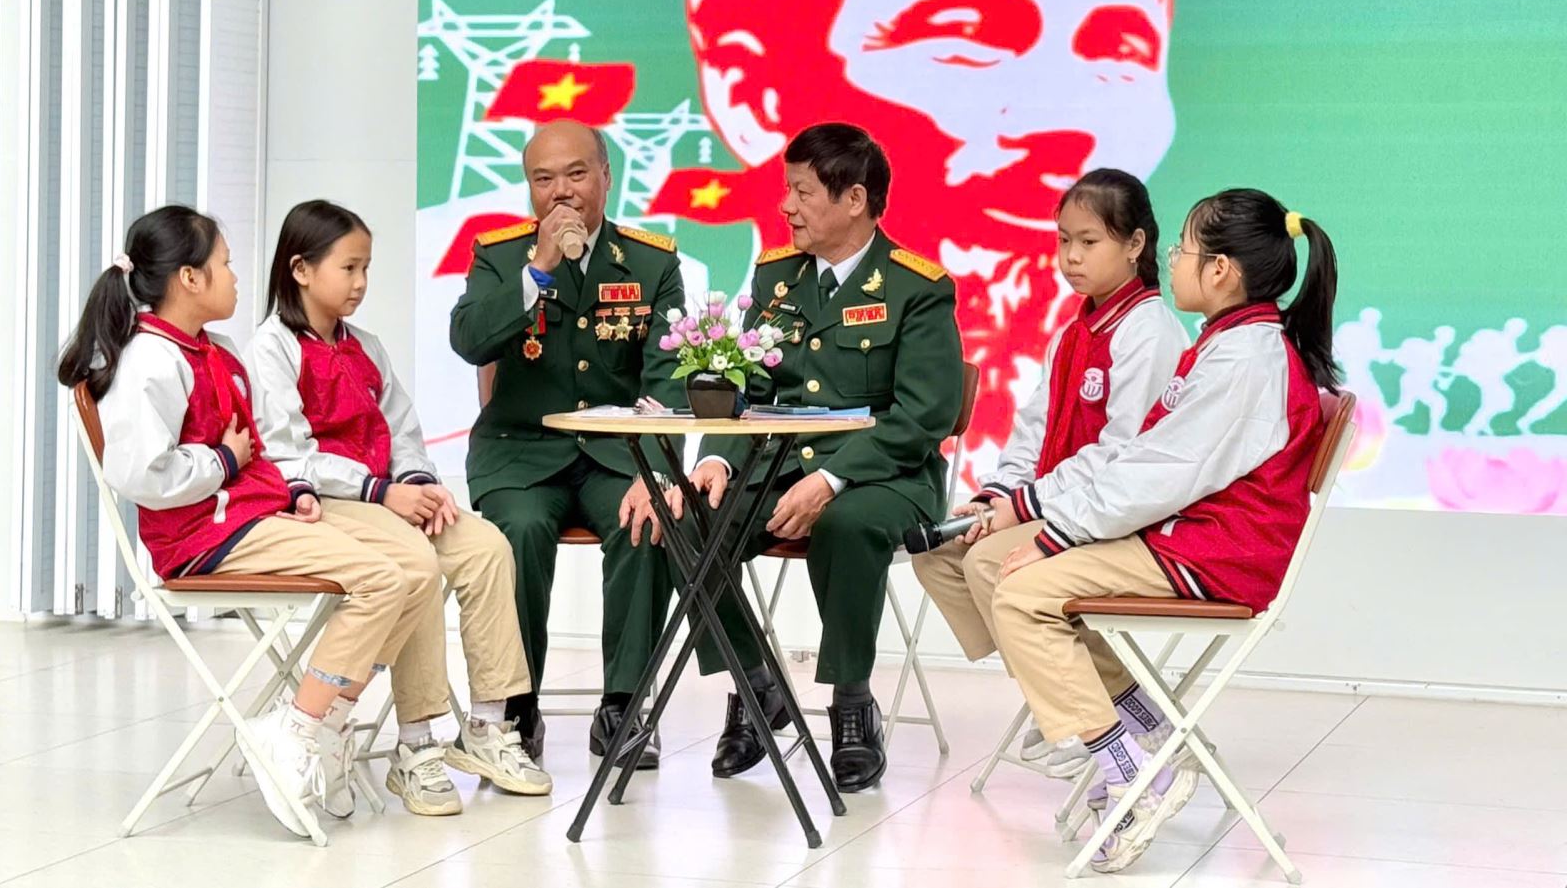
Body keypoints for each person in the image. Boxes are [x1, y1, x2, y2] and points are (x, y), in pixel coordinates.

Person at [652, 0, 1176, 480]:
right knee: (692, 522)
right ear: (750, 88)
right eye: (969, 37)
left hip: (904, 496)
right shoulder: (741, 294)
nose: (1061, 119)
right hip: (793, 483)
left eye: (1118, 47)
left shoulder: (1111, 335)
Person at [55, 205, 438, 839]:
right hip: (201, 539)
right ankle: (298, 731)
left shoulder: (219, 351)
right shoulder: (152, 360)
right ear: (189, 279)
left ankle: (324, 726)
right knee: (381, 578)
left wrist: (295, 492)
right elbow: (142, 475)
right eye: (226, 264)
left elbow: (262, 449)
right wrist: (223, 460)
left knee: (414, 571)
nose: (237, 276)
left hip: (254, 517)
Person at [989, 189, 1340, 873]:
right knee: (1027, 582)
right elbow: (1154, 463)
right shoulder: (1233, 343)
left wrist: (1057, 534)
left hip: (1214, 554)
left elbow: (1159, 474)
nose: (1173, 260)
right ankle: (1143, 731)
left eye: (1183, 248)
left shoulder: (1244, 359)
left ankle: (1131, 776)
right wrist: (1061, 523)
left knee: (1023, 592)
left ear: (1221, 271)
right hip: (1198, 538)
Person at [640, 122, 963, 792]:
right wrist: (718, 458)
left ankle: (852, 704)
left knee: (846, 524)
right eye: (786, 189)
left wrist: (832, 477)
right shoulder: (776, 277)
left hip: (886, 475)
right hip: (777, 467)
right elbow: (746, 387)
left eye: (802, 191)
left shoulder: (916, 287)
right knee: (687, 519)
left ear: (855, 199)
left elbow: (923, 415)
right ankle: (756, 685)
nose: (785, 205)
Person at [246, 200, 551, 816]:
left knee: (487, 547)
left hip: (390, 498)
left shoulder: (366, 345)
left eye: (366, 268)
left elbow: (402, 428)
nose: (361, 283)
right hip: (328, 505)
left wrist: (418, 484)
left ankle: (489, 725)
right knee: (420, 562)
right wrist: (382, 492)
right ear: (300, 269)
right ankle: (416, 744)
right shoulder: (272, 349)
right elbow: (289, 455)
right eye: (348, 268)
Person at [911, 169, 1185, 780]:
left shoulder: (1148, 332)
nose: (1071, 257)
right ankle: (1081, 698)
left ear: (1135, 245)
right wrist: (997, 496)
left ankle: (1087, 717)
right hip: (1057, 505)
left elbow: (1120, 458)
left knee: (992, 564)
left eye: (1089, 241)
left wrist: (1024, 507)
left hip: (1113, 516)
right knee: (941, 554)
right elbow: (1032, 431)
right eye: (1063, 240)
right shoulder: (1075, 330)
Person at [449, 119, 684, 769]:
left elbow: (669, 377)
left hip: (617, 454)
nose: (561, 192)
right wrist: (538, 270)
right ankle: (515, 705)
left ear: (606, 176)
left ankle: (625, 705)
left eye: (576, 174)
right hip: (520, 452)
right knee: (518, 533)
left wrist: (657, 472)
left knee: (646, 522)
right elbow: (469, 340)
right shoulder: (501, 256)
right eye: (543, 179)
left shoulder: (652, 262)